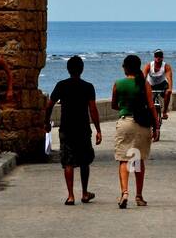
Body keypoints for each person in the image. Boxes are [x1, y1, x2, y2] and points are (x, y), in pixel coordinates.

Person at [45, 56, 102, 205]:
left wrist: (46, 122)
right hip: (83, 129)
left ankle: (70, 196)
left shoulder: (61, 85)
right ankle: (84, 193)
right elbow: (93, 109)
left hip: (66, 128)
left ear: (68, 69)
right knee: (84, 162)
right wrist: (98, 130)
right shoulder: (88, 87)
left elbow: (49, 105)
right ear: (82, 69)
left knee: (68, 162)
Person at [111, 53, 159, 209]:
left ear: (125, 68)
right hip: (142, 125)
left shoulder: (118, 83)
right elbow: (152, 107)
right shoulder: (144, 84)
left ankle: (125, 192)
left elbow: (114, 105)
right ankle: (139, 196)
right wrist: (156, 125)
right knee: (137, 160)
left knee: (124, 159)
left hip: (125, 122)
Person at [144, 49, 173, 124]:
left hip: (162, 84)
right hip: (151, 84)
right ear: (154, 57)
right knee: (146, 98)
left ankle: (164, 112)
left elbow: (169, 78)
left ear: (162, 57)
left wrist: (170, 88)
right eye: (156, 56)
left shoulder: (166, 66)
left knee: (168, 93)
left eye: (160, 56)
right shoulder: (149, 66)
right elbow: (143, 77)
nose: (158, 58)